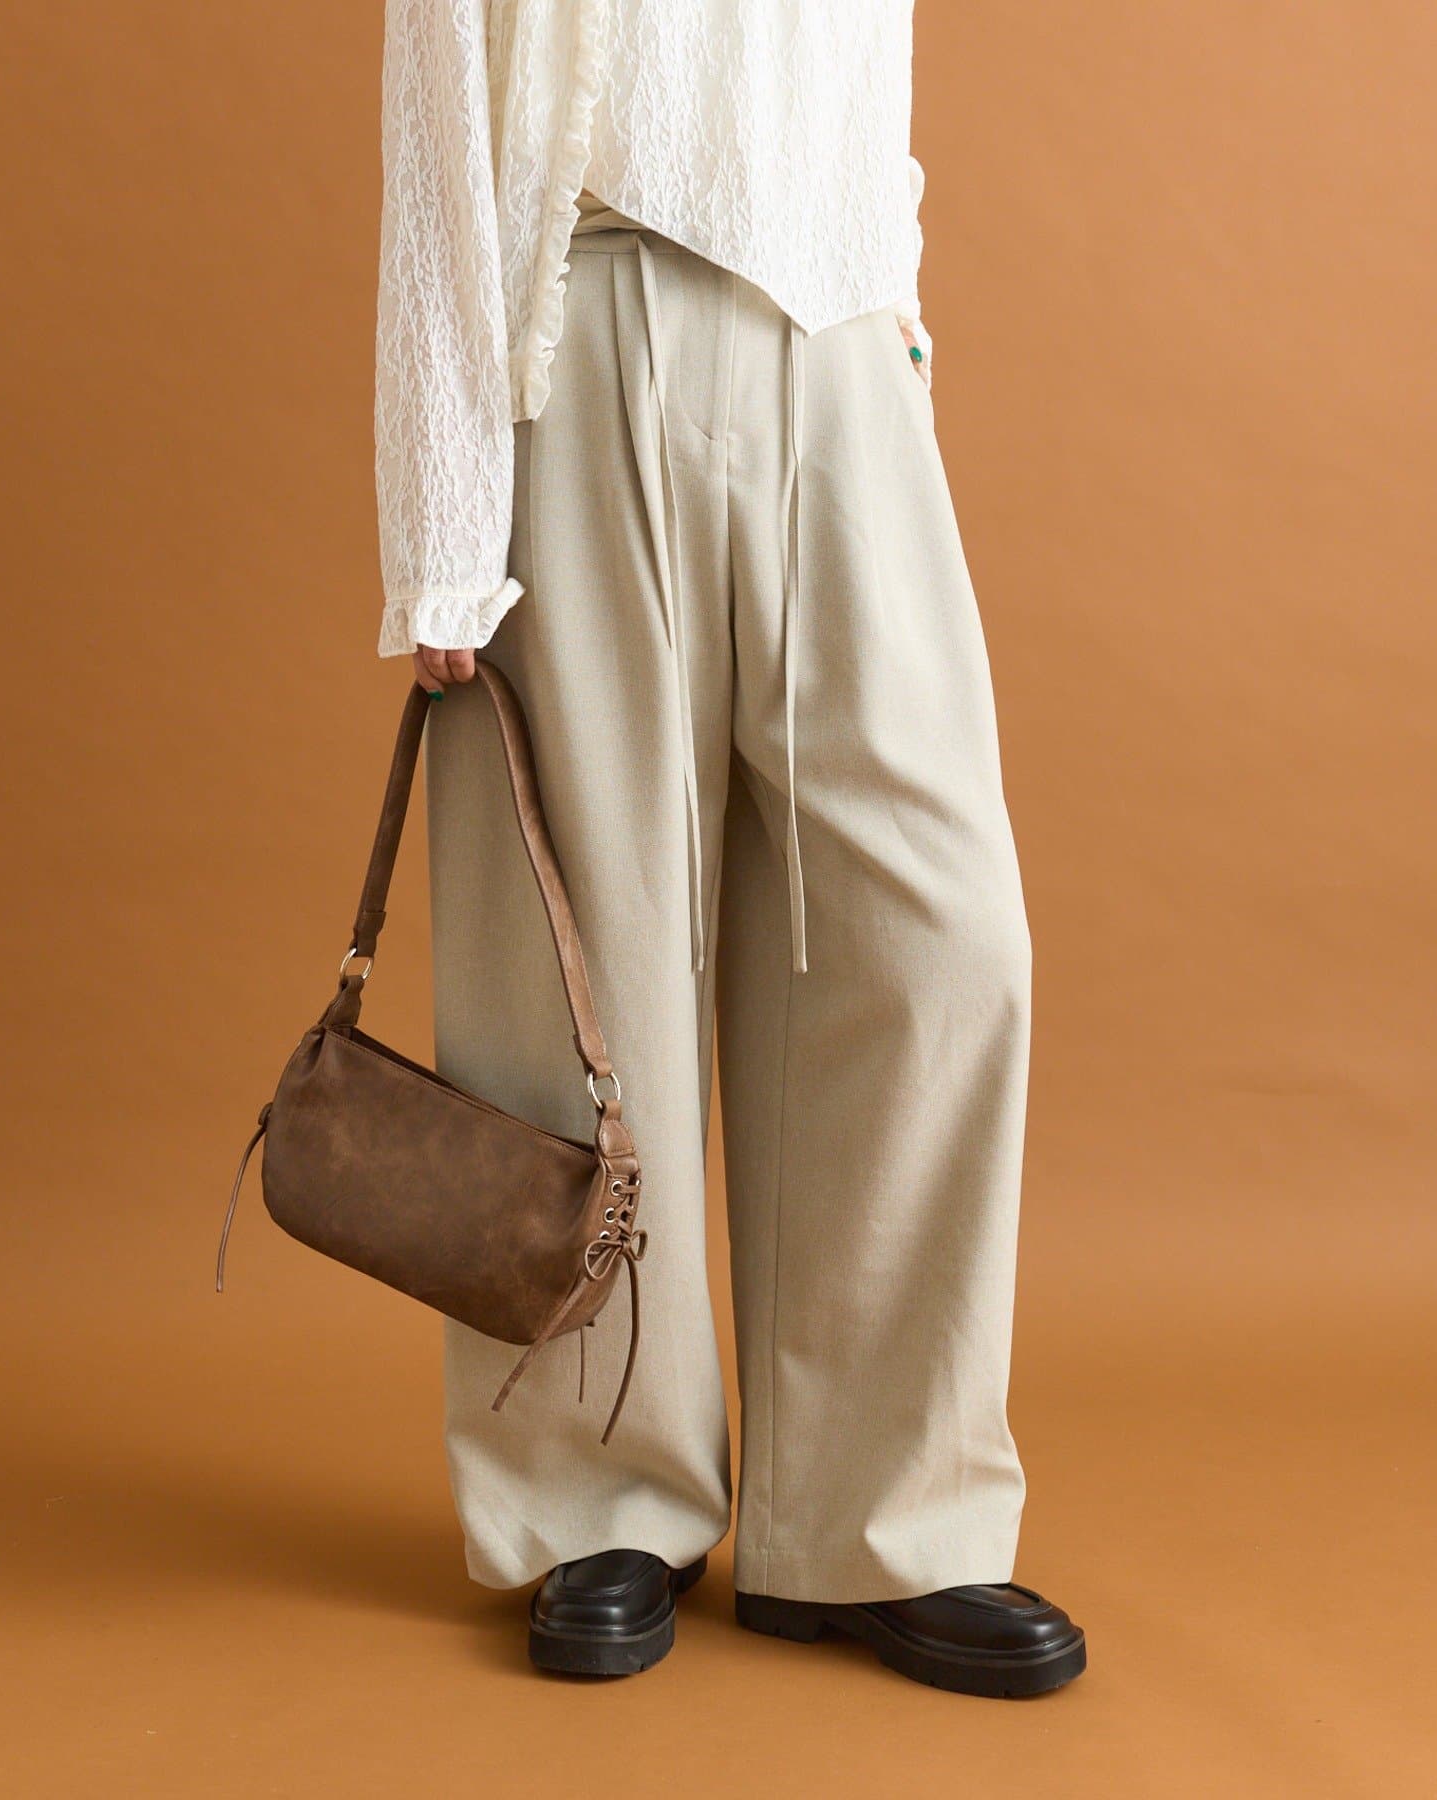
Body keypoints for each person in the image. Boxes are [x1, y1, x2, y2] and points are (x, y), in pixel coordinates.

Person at [373, 0, 1085, 1695]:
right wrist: (441, 511)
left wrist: (899, 326)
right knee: (580, 961)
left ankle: (877, 1518)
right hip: (582, 312)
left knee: (935, 934)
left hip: (839, 338)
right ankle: (595, 1496)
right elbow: (438, 101)